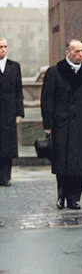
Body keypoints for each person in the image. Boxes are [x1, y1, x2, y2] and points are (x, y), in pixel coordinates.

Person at [41, 40, 82, 210]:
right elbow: (47, 100)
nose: (81, 54)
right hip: (62, 124)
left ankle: (74, 198)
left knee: (80, 164)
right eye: (77, 51)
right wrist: (48, 125)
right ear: (68, 52)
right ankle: (61, 194)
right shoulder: (55, 72)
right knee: (62, 163)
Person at [0, 37, 23, 187]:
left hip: (8, 113)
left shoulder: (14, 66)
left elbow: (18, 91)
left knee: (7, 146)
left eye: (5, 46)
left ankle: (5, 177)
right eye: (0, 47)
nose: (3, 49)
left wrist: (19, 113)